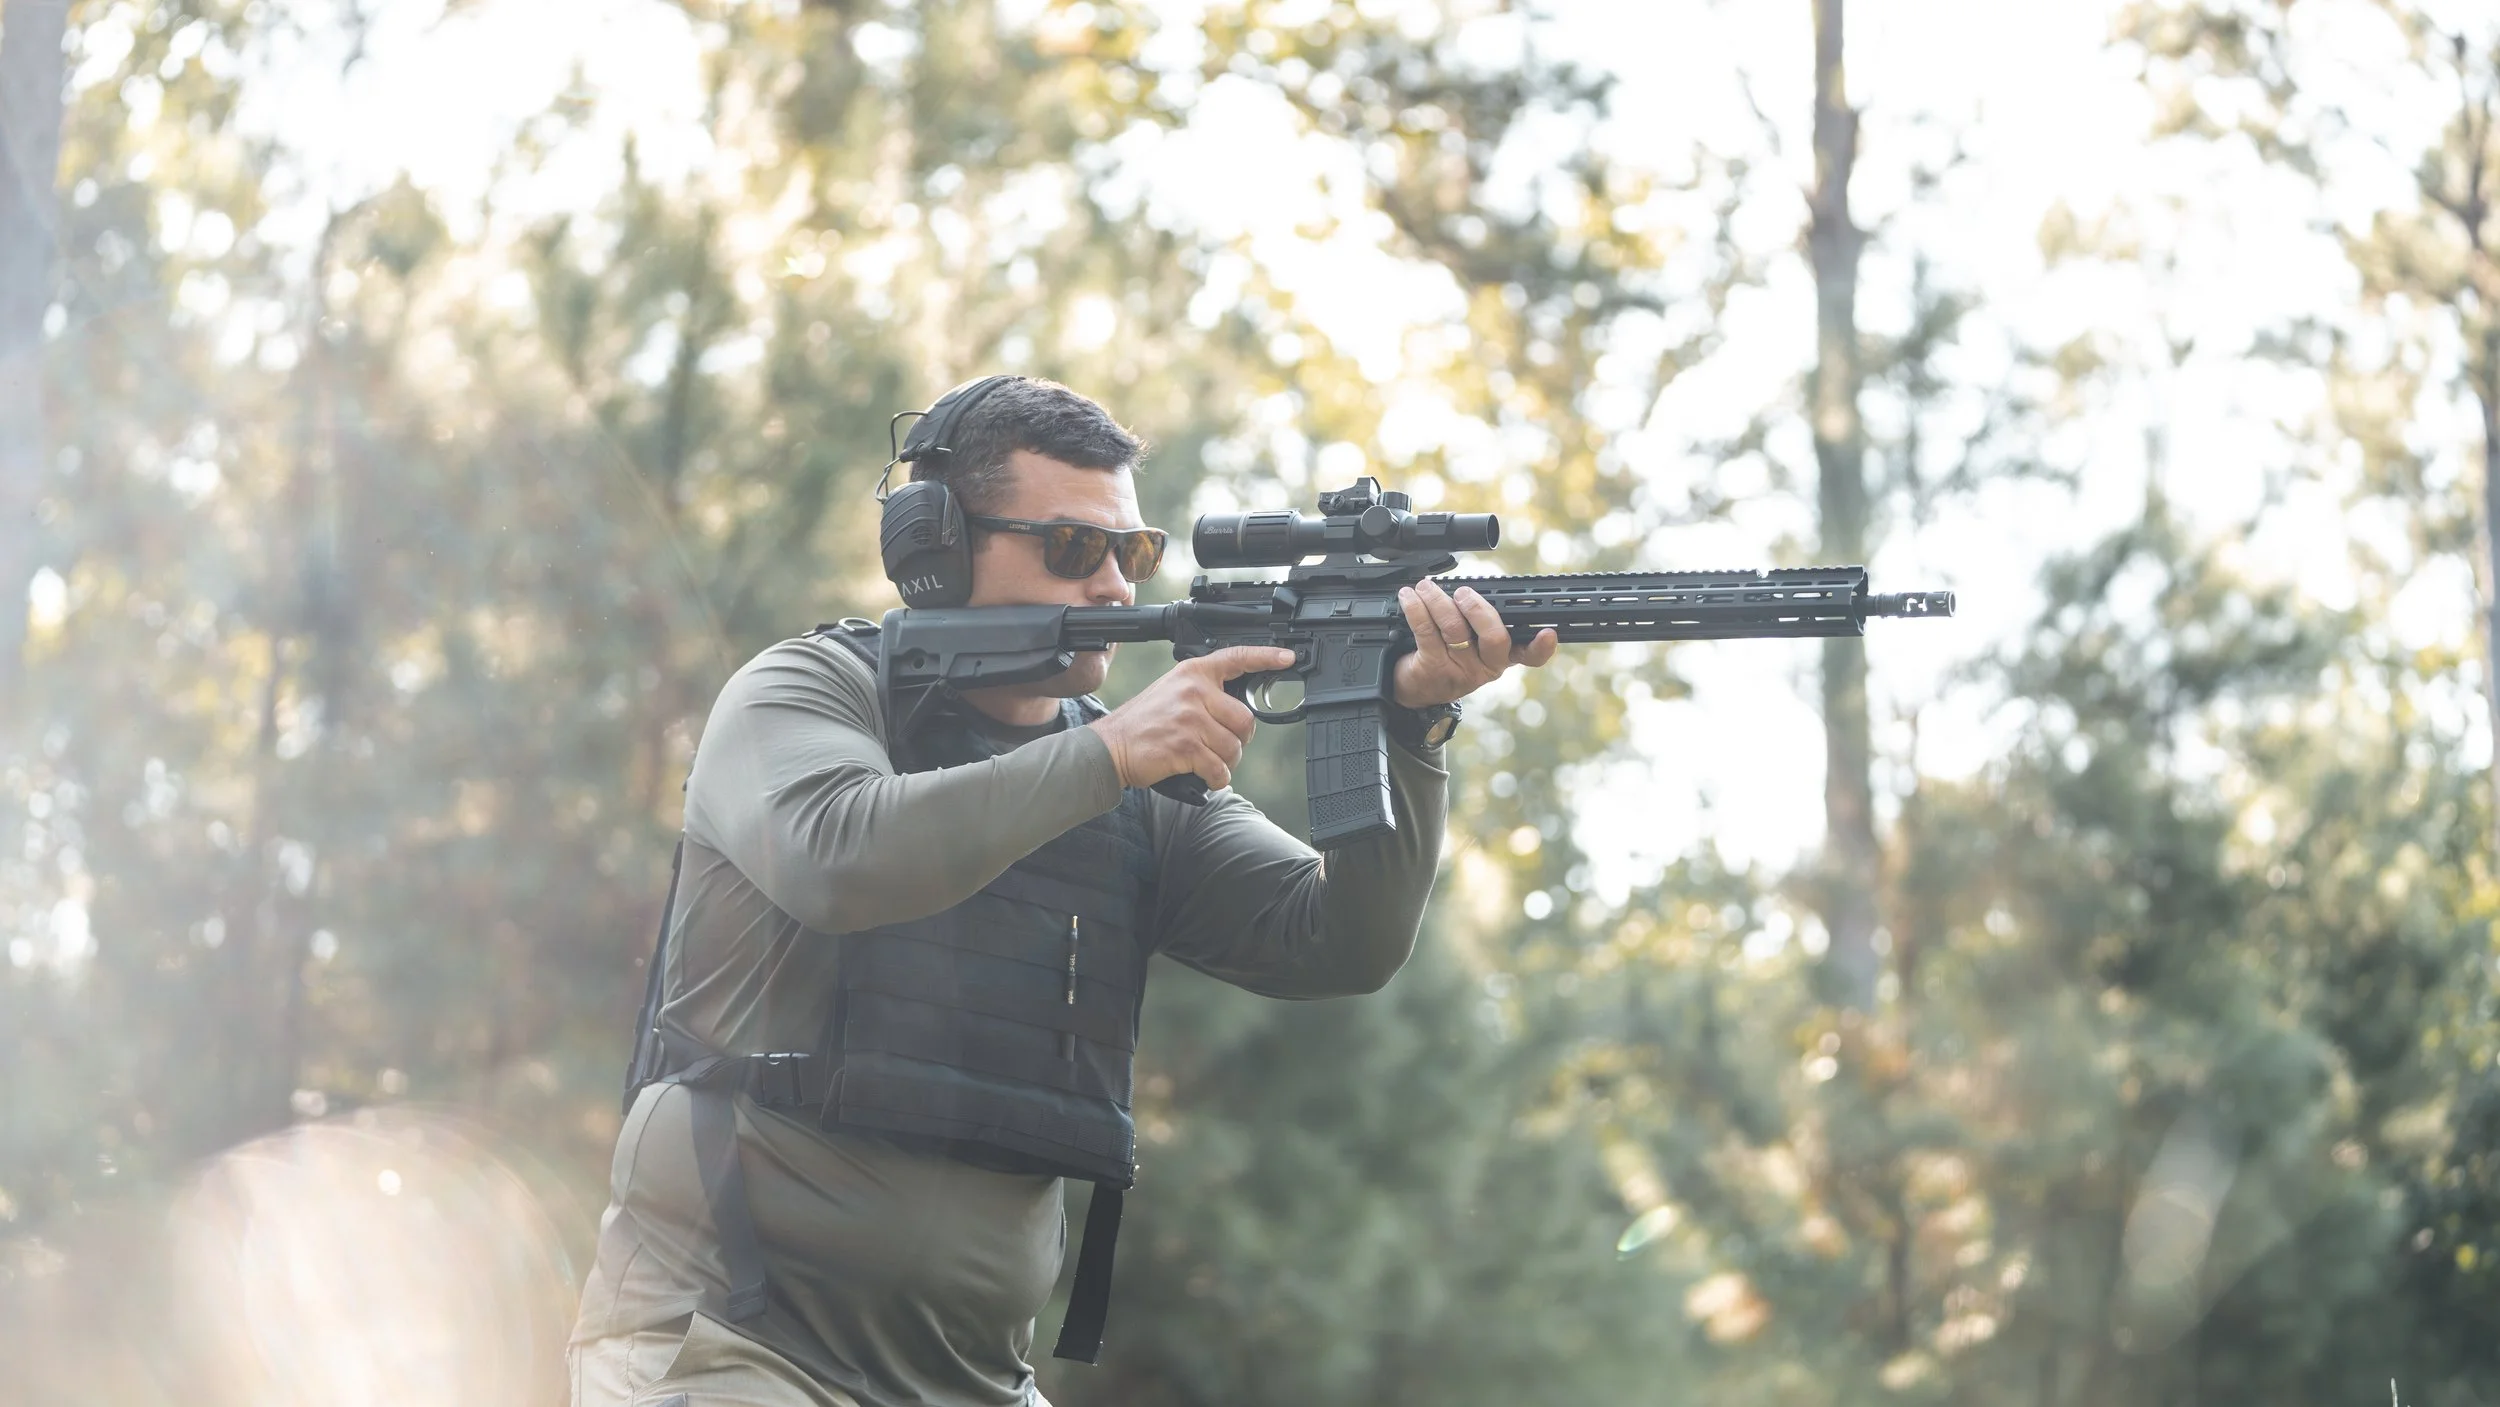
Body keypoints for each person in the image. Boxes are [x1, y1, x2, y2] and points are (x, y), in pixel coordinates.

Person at [568, 376, 1556, 1407]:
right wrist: (1114, 754)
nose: (1116, 590)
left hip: (974, 1380)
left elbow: (1340, 942)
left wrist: (1405, 728)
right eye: (1073, 550)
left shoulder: (1128, 775)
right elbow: (834, 856)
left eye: (1129, 554)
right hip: (729, 1348)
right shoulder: (806, 691)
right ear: (937, 552)